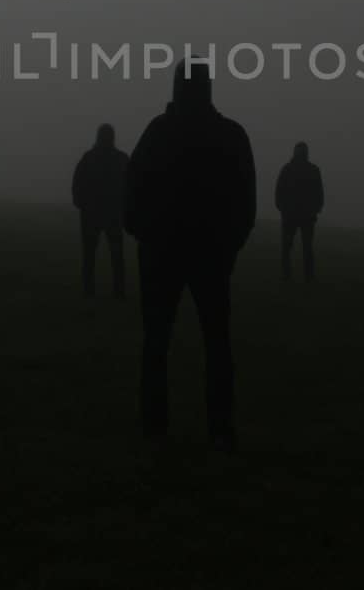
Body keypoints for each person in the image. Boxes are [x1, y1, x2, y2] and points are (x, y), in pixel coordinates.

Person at [124, 61, 255, 451]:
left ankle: (155, 424)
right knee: (214, 342)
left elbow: (132, 193)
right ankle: (218, 425)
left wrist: (147, 236)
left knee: (158, 343)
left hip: (165, 254)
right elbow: (244, 203)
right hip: (206, 255)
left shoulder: (158, 133)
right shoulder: (229, 135)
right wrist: (227, 247)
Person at [72, 123, 129, 298]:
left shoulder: (89, 158)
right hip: (113, 214)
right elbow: (130, 185)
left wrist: (82, 204)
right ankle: (118, 292)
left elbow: (77, 185)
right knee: (116, 255)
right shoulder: (121, 159)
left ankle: (89, 291)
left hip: (91, 214)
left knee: (89, 256)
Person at [275, 142, 325, 281]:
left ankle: (288, 276)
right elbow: (319, 193)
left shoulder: (287, 169)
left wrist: (283, 208)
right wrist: (316, 209)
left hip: (294, 215)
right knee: (305, 248)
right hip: (303, 215)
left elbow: (279, 192)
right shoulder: (312, 170)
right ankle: (306, 276)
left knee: (289, 248)